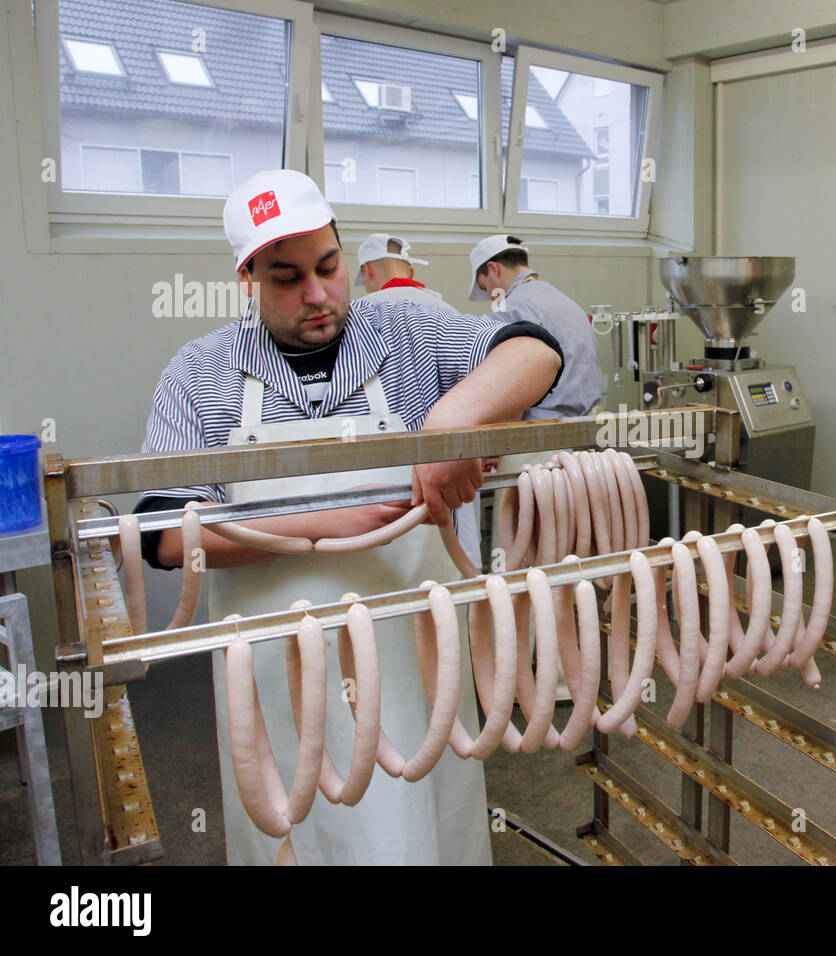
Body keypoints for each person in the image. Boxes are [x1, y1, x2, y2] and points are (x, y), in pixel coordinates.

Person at [134, 169, 565, 865]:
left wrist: (453, 422)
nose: (317, 294)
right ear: (247, 277)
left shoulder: (406, 330)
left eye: (329, 267)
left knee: (421, 829)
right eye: (285, 277)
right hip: (280, 685)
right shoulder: (200, 374)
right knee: (300, 832)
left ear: (343, 251)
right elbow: (159, 536)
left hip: (414, 670)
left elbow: (536, 351)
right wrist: (332, 524)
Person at [354, 234, 480, 568]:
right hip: (455, 471)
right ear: (410, 268)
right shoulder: (447, 312)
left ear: (367, 271)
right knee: (458, 575)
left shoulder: (358, 317)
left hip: (381, 487)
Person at [468, 234, 603, 420]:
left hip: (542, 433)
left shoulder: (511, 310)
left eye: (485, 288)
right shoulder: (568, 304)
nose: (492, 296)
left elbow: (500, 386)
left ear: (493, 269)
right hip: (587, 422)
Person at [355, 232, 446, 305]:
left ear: (368, 271)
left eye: (364, 281)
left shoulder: (365, 311)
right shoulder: (444, 307)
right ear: (411, 273)